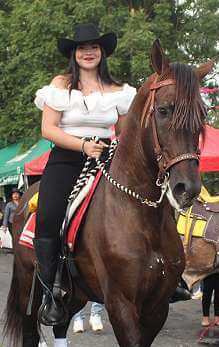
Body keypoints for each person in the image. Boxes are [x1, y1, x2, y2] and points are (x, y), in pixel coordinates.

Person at [34, 22, 135, 325]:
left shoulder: (120, 91)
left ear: (102, 52)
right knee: (49, 214)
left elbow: (126, 133)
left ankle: (167, 274)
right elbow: (48, 128)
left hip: (108, 159)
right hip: (67, 159)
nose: (88, 52)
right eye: (82, 48)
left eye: (94, 47)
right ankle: (50, 292)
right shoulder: (61, 84)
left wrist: (113, 148)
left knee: (147, 200)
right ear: (74, 53)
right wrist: (82, 146)